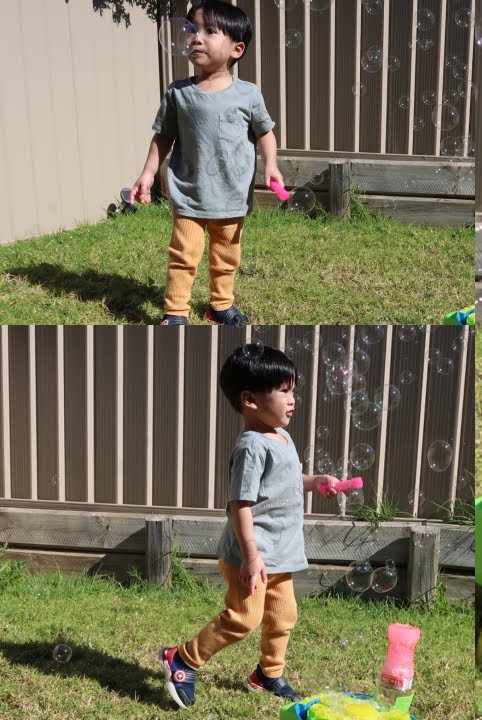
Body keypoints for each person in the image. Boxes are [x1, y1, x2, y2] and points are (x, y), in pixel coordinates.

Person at [160, 344, 344, 708]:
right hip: (253, 556)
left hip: (281, 554)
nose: (293, 398)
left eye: (293, 389)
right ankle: (183, 658)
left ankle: (268, 674)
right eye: (283, 390)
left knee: (283, 616)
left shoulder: (281, 436)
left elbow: (287, 480)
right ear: (250, 399)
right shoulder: (252, 448)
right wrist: (251, 557)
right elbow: (240, 504)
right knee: (243, 618)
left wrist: (316, 480)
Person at [131, 0, 283, 326]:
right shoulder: (178, 93)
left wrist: (271, 164)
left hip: (231, 194)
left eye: (209, 31)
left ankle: (220, 305)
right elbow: (163, 136)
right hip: (189, 192)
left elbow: (265, 133)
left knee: (226, 257)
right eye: (191, 30)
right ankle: (175, 313)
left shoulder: (249, 94)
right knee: (183, 256)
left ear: (236, 49)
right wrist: (146, 173)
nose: (196, 38)